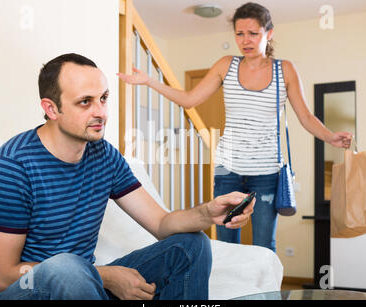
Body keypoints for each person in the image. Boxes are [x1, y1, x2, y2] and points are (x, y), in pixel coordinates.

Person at [0, 53, 254, 300]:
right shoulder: (14, 165)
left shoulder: (103, 154)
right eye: (85, 102)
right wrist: (104, 276)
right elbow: (3, 277)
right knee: (66, 268)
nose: (101, 113)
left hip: (83, 285)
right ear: (51, 109)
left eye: (103, 98)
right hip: (20, 292)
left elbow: (160, 223)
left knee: (191, 245)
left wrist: (208, 212)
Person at [117, 2, 352, 252]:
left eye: (253, 33)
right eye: (240, 34)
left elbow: (305, 117)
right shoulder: (225, 65)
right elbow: (189, 99)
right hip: (228, 171)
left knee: (264, 245)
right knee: (227, 245)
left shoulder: (285, 70)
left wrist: (330, 137)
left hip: (266, 173)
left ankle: (263, 292)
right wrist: (149, 81)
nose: (246, 40)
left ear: (268, 34)